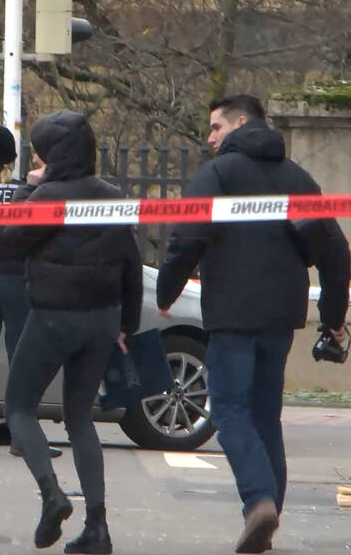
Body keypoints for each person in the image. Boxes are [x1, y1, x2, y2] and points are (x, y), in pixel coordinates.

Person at [157, 95, 350, 554]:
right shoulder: (298, 179)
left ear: (240, 123)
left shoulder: (219, 175)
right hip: (282, 315)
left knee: (228, 410)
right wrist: (333, 320)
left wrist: (166, 293)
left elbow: (187, 236)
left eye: (215, 127)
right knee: (265, 417)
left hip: (232, 313)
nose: (209, 137)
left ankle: (259, 502)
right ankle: (266, 521)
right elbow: (336, 253)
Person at [4, 111, 142, 554]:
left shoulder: (46, 196)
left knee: (19, 407)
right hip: (102, 318)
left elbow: (8, 237)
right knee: (81, 418)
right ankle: (97, 527)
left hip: (53, 317)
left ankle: (52, 494)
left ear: (53, 155)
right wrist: (128, 324)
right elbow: (132, 265)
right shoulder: (113, 196)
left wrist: (29, 188)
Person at [0, 126, 62, 459]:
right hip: (13, 280)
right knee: (21, 361)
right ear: (11, 157)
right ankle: (21, 437)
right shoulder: (21, 191)